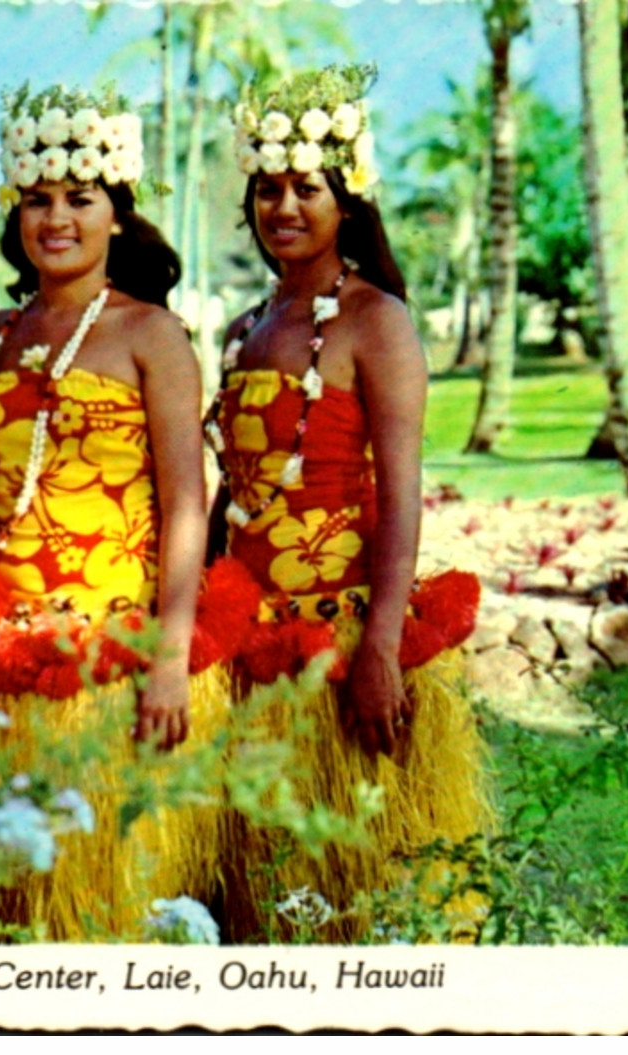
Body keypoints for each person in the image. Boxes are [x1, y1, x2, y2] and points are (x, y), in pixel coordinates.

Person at [206, 64, 491, 941]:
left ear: (347, 199)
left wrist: (377, 648)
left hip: (338, 636)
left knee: (350, 894)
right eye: (266, 189)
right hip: (251, 642)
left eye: (306, 188)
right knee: (260, 890)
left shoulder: (376, 321)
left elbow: (402, 495)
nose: (282, 207)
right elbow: (237, 491)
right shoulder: (248, 323)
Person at [0, 83, 230, 940]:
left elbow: (188, 503)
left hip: (110, 652)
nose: (56, 219)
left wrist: (168, 654)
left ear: (116, 213)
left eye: (79, 200)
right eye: (36, 200)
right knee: (0, 908)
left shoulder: (152, 333)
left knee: (95, 906)